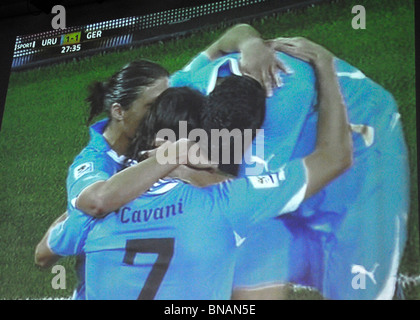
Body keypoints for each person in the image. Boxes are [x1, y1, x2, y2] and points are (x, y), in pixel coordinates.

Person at [68, 48, 352, 298]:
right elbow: (334, 157)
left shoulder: (104, 205)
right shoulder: (228, 199)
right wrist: (325, 65)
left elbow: (45, 251)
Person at [34, 23, 287, 299]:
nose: (164, 107)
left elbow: (231, 36)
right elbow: (96, 202)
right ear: (120, 111)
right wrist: (176, 157)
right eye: (153, 106)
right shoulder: (96, 163)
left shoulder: (166, 98)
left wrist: (251, 44)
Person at [171, 32, 409, 299]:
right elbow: (230, 35)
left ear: (255, 132)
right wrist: (249, 41)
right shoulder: (187, 83)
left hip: (364, 132)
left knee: (355, 264)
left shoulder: (276, 120)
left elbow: (334, 159)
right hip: (307, 129)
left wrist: (324, 62)